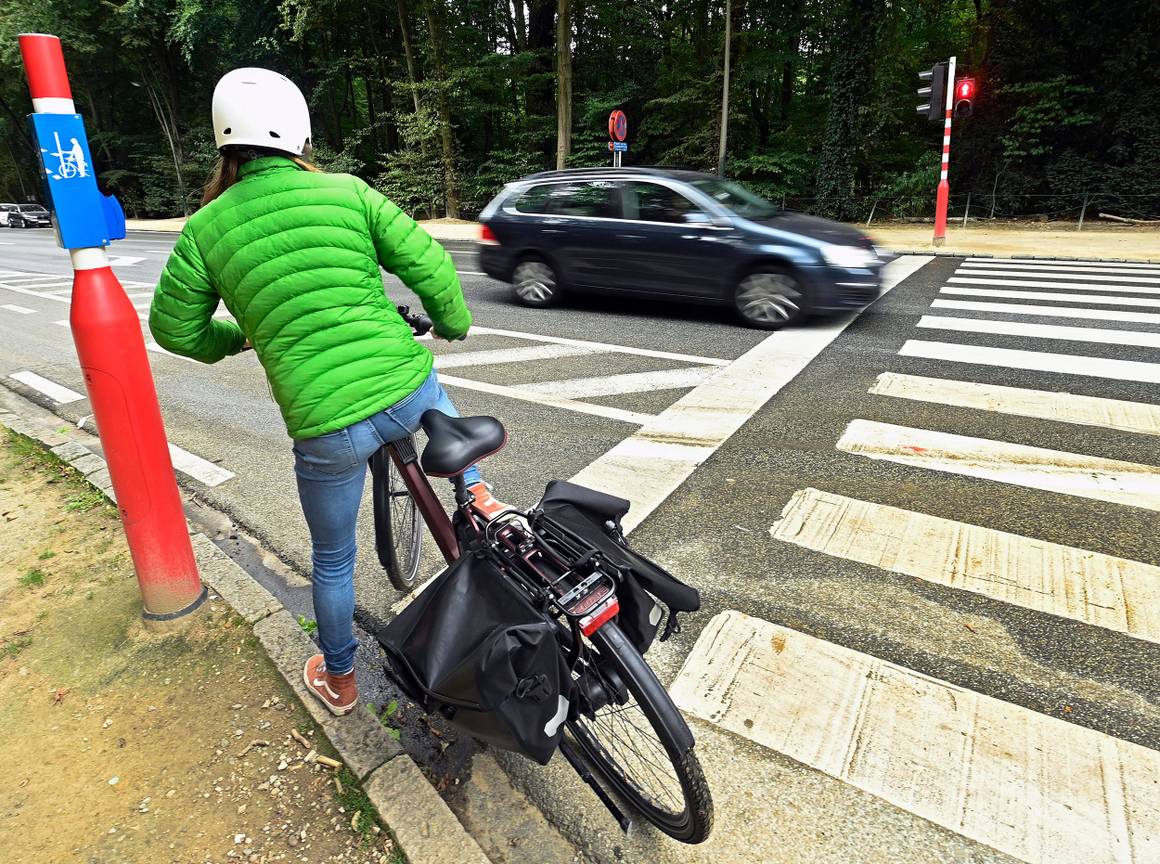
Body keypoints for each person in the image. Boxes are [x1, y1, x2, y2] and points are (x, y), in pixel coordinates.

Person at [149, 67, 508, 717]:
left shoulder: (205, 229)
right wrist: (452, 323)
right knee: (430, 389)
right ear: (300, 138)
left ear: (223, 144)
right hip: (401, 385)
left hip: (327, 424)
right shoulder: (348, 192)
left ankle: (340, 681)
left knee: (334, 560)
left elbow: (174, 328)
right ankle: (477, 492)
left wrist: (238, 339)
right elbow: (427, 261)